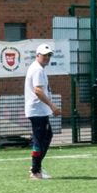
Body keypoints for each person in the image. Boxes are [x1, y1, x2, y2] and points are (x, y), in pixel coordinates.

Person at [24, 43, 62, 179]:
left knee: (46, 136)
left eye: (49, 55)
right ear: (37, 55)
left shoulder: (39, 68)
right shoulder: (37, 70)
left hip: (40, 110)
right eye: (44, 55)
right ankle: (35, 171)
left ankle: (37, 167)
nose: (47, 58)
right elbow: (38, 91)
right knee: (39, 140)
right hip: (37, 111)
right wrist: (52, 106)